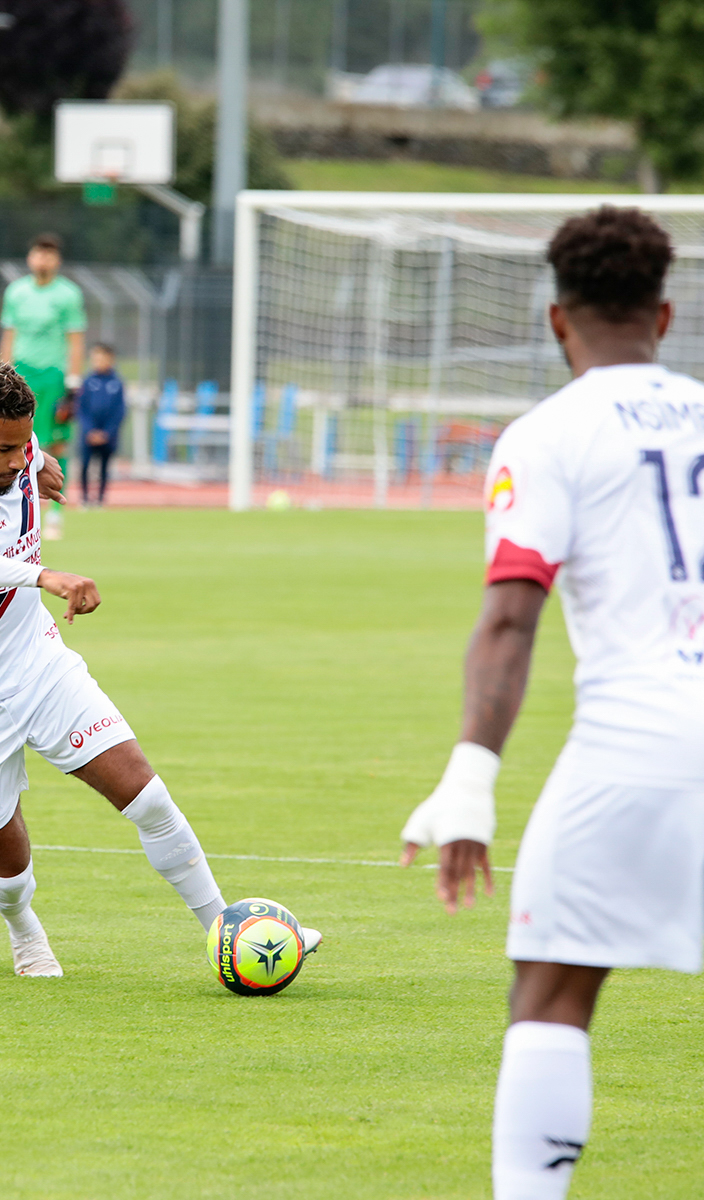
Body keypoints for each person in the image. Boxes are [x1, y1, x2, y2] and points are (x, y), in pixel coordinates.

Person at [399, 207, 704, 1199]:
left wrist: (468, 779)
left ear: (554, 321)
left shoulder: (544, 435)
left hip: (637, 743)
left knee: (552, 987)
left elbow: (508, 621)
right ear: (662, 314)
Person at [0, 356, 321, 976]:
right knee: (6, 859)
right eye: (7, 449)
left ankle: (226, 930)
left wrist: (41, 466)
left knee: (146, 795)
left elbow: (31, 456)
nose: (18, 458)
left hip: (39, 662)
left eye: (26, 443)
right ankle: (25, 931)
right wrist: (42, 574)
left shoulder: (16, 446)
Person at [0, 232, 86, 541]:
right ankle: (16, 509)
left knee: (56, 444)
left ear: (57, 260)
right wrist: (2, 373)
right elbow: (9, 335)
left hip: (53, 377)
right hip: (22, 376)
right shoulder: (17, 292)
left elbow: (75, 340)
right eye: (39, 253)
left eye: (49, 254)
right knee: (14, 443)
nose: (43, 259)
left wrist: (73, 383)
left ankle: (56, 513)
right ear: (30, 257)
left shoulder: (68, 295)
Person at [76, 342, 126, 507]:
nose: (97, 362)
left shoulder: (117, 383)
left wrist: (107, 432)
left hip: (108, 436)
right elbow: (82, 409)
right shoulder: (88, 381)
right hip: (88, 435)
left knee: (104, 467)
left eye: (101, 358)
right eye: (95, 358)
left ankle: (100, 499)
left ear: (110, 359)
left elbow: (119, 411)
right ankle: (84, 498)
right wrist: (89, 431)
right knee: (85, 465)